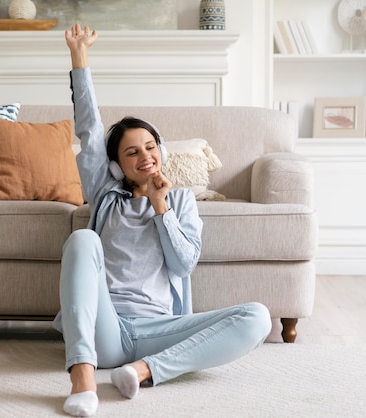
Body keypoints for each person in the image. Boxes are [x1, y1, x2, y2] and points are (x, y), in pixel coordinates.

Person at [55, 24, 272, 417]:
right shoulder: (107, 197)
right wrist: (79, 56)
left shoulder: (182, 201)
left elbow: (184, 264)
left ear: (162, 152)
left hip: (162, 331)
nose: (145, 157)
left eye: (151, 147)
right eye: (132, 152)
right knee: (81, 240)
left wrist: (161, 206)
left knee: (257, 316)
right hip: (110, 328)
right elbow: (88, 128)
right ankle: (83, 378)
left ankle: (142, 372)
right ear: (117, 167)